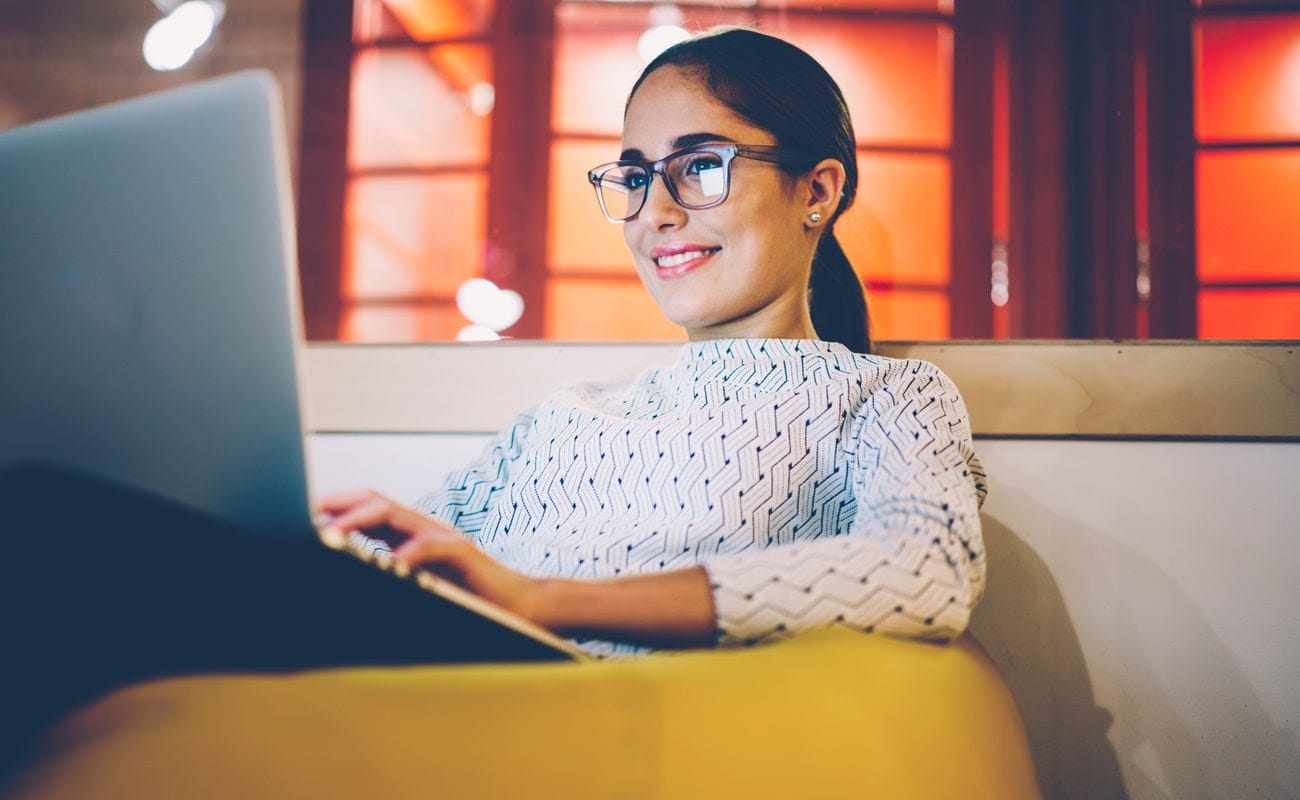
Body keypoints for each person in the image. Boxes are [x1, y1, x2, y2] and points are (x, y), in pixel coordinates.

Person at [0, 26, 985, 773]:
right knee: (55, 517)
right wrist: (352, 537)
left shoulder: (883, 395)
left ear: (817, 190)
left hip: (577, 696)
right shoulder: (566, 414)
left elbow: (929, 569)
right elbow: (443, 549)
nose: (658, 211)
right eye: (635, 176)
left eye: (700, 165)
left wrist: (543, 595)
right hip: (445, 655)